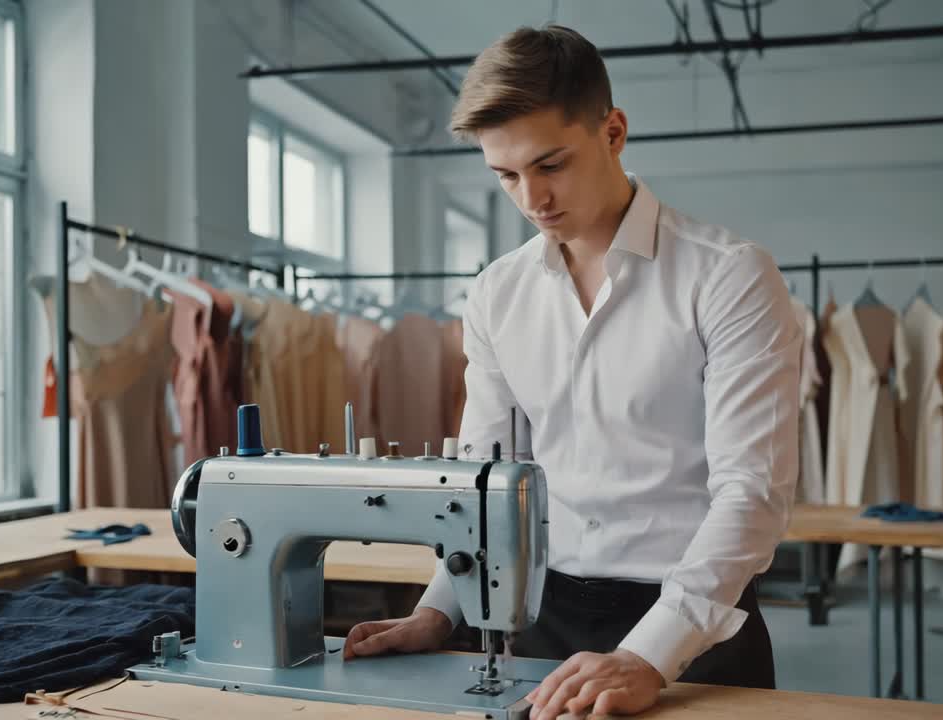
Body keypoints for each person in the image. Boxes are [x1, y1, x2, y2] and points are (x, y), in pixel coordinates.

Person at [343, 24, 800, 719]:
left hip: (694, 628)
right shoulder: (497, 292)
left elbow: (752, 495)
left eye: (550, 163)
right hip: (540, 621)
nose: (532, 198)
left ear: (612, 132)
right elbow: (487, 479)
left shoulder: (729, 276)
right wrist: (442, 609)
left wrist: (648, 654)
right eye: (505, 175)